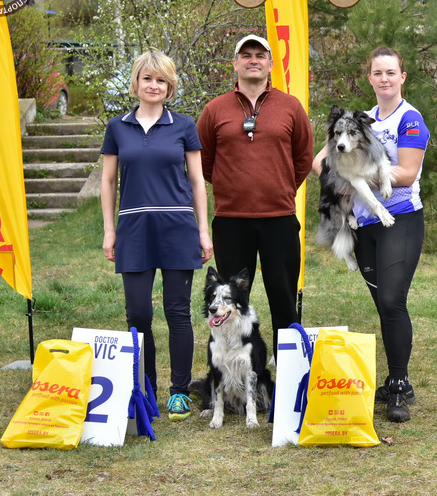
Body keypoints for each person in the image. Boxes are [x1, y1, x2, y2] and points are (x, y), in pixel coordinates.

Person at [313, 46, 430, 423]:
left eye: (391, 72)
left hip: (401, 218)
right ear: (370, 78)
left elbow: (407, 174)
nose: (384, 79)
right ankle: (396, 379)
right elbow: (320, 162)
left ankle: (399, 384)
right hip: (364, 224)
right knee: (383, 305)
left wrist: (358, 173)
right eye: (378, 73)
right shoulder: (361, 121)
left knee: (393, 301)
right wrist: (341, 177)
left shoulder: (410, 119)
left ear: (402, 77)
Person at [100, 49, 213, 421]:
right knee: (138, 314)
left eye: (161, 80)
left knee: (177, 311)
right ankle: (144, 389)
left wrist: (203, 231)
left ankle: (179, 392)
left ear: (170, 86)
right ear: (135, 82)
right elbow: (108, 182)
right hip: (134, 229)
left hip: (177, 228)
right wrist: (109, 231)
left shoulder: (184, 126)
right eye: (147, 78)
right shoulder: (117, 127)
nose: (153, 85)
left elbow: (197, 182)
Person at [196, 35, 313, 354]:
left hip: (279, 219)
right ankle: (234, 370)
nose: (253, 60)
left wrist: (281, 187)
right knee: (231, 302)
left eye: (260, 55)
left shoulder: (290, 107)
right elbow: (203, 161)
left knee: (284, 299)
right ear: (235, 64)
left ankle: (287, 372)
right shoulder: (214, 109)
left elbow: (303, 157)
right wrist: (230, 185)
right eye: (246, 55)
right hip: (231, 221)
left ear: (271, 64)